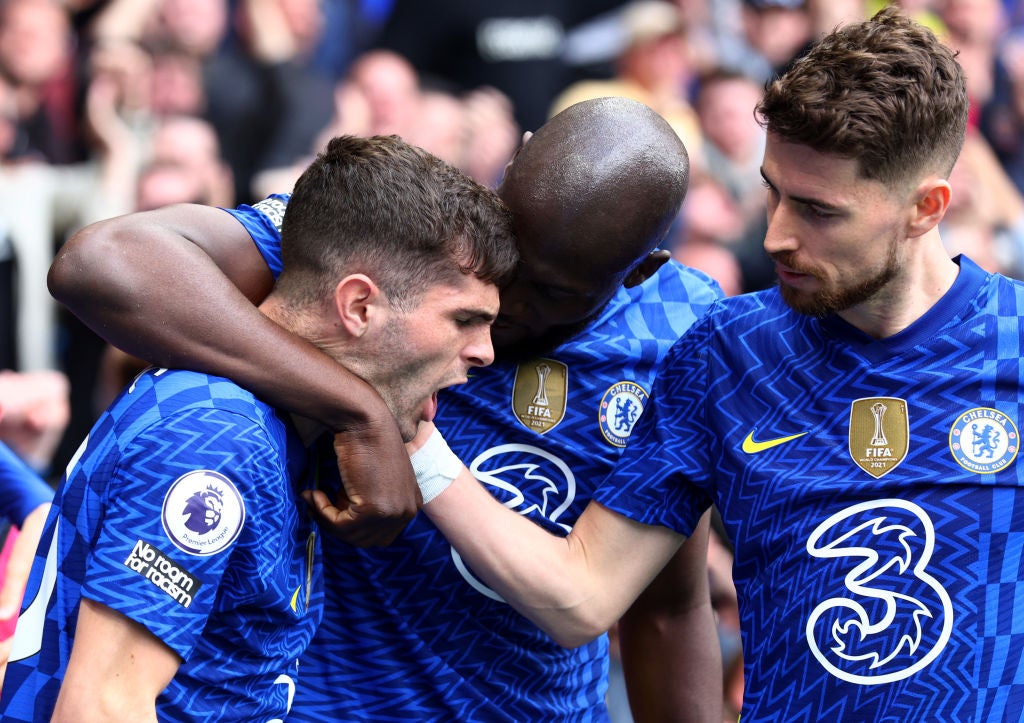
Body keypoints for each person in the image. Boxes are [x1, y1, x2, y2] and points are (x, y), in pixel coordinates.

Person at [385, 7, 1024, 721]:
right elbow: (583, 594)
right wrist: (411, 436)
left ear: (925, 208)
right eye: (773, 190)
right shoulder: (724, 350)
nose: (776, 234)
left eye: (818, 210)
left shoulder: (1016, 343)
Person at [47, 96, 726, 720]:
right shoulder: (410, 236)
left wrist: (400, 440)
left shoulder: (681, 331)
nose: (509, 301)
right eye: (509, 256)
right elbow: (102, 262)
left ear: (641, 269)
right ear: (511, 162)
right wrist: (359, 409)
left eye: (550, 291)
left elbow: (669, 605)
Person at [1, 134, 518, 720]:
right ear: (359, 307)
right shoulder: (219, 437)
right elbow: (102, 707)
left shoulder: (276, 428)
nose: (485, 352)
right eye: (465, 320)